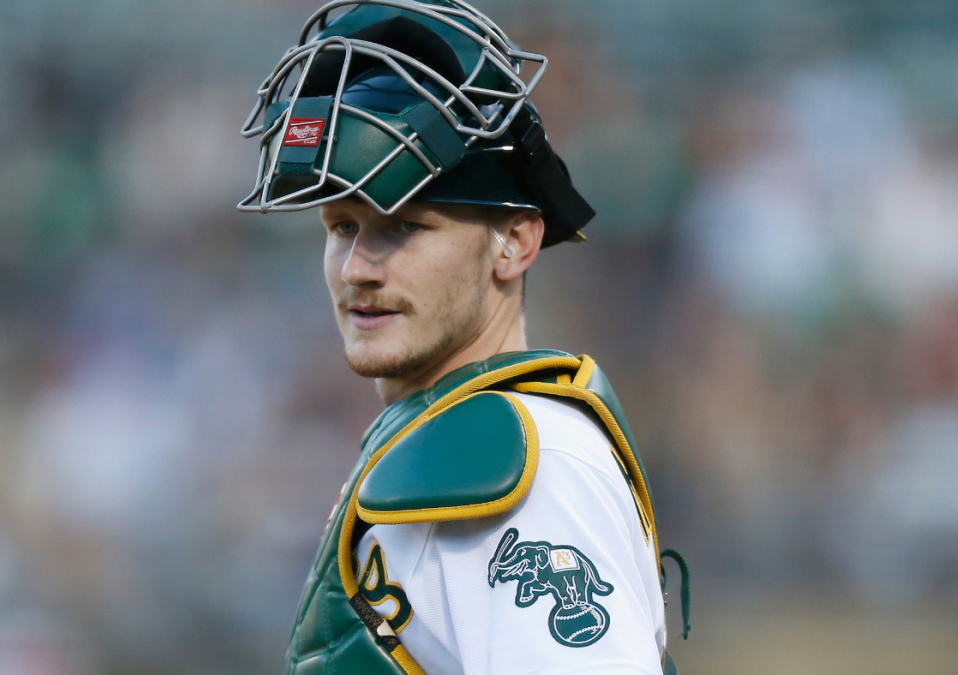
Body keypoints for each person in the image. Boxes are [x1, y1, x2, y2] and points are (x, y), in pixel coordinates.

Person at [238, 1, 688, 673]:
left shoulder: (519, 468)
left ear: (514, 240)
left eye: (405, 226)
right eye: (340, 227)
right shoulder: (449, 438)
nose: (358, 266)